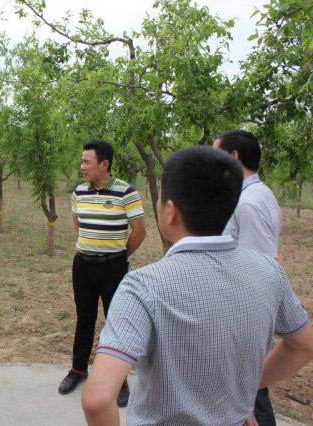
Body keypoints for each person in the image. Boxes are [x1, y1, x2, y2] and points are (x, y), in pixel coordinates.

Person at [81, 146, 313, 426]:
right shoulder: (270, 273)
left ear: (170, 211)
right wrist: (244, 391)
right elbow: (303, 346)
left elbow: (97, 399)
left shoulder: (142, 286)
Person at [59, 140, 146, 407]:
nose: (82, 166)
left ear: (104, 164)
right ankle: (78, 369)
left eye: (87, 162)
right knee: (84, 319)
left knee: (115, 322)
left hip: (114, 267)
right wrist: (93, 247)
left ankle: (119, 380)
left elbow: (139, 232)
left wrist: (118, 257)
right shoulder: (79, 192)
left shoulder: (126, 193)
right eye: (81, 161)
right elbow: (79, 224)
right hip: (83, 265)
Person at [214, 130, 282, 425]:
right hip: (246, 312)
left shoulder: (248, 204)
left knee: (252, 396)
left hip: (244, 314)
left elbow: (257, 269)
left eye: (216, 154)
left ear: (233, 157)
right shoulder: (258, 194)